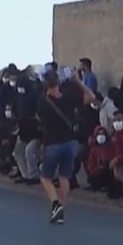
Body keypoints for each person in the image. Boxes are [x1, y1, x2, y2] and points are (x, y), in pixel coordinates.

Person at [37, 70, 95, 224]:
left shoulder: (43, 102)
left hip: (52, 143)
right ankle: (60, 207)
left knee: (45, 177)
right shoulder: (69, 98)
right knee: (64, 176)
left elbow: (40, 121)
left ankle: (55, 203)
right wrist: (77, 81)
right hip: (70, 143)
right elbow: (91, 97)